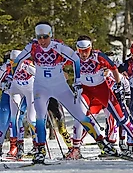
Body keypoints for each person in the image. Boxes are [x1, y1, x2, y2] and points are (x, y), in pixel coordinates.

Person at [12, 21, 121, 163]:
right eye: (40, 37)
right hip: (41, 87)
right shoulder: (32, 47)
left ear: (50, 35)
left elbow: (75, 59)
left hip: (60, 87)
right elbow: (18, 60)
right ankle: (40, 150)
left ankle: (103, 143)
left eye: (45, 37)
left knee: (80, 115)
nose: (42, 41)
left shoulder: (58, 46)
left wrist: (77, 81)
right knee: (40, 116)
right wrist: (12, 77)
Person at [66, 35, 133, 159]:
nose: (83, 54)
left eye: (86, 50)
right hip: (86, 92)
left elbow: (114, 68)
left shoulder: (98, 56)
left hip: (103, 91)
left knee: (122, 118)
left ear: (90, 48)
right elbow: (60, 64)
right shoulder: (74, 56)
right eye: (81, 50)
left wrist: (119, 86)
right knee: (79, 116)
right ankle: (77, 148)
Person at [8, 50, 37, 159]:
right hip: (16, 89)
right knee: (14, 118)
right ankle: (18, 147)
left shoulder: (27, 66)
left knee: (31, 118)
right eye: (11, 61)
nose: (13, 64)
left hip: (30, 90)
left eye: (15, 61)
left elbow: (40, 76)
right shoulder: (8, 66)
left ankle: (37, 144)